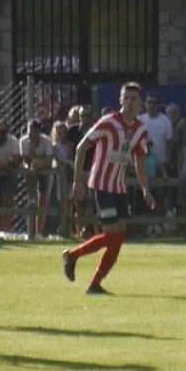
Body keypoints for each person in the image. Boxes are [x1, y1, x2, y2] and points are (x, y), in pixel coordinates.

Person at [62, 82, 155, 295]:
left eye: (134, 98)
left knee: (118, 237)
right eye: (127, 98)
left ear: (139, 102)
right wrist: (77, 180)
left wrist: (145, 189)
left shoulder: (140, 129)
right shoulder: (109, 122)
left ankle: (94, 284)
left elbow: (140, 159)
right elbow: (81, 146)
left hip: (120, 188)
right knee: (113, 234)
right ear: (120, 100)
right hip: (102, 185)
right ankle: (73, 255)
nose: (131, 102)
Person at [20, 120, 55, 238]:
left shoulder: (46, 141)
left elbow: (49, 161)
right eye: (30, 131)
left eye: (35, 131)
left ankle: (38, 232)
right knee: (32, 205)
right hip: (32, 171)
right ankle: (32, 198)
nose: (32, 134)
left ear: (39, 131)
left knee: (44, 201)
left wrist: (37, 162)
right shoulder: (24, 141)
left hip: (45, 172)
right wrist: (32, 149)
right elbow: (25, 160)